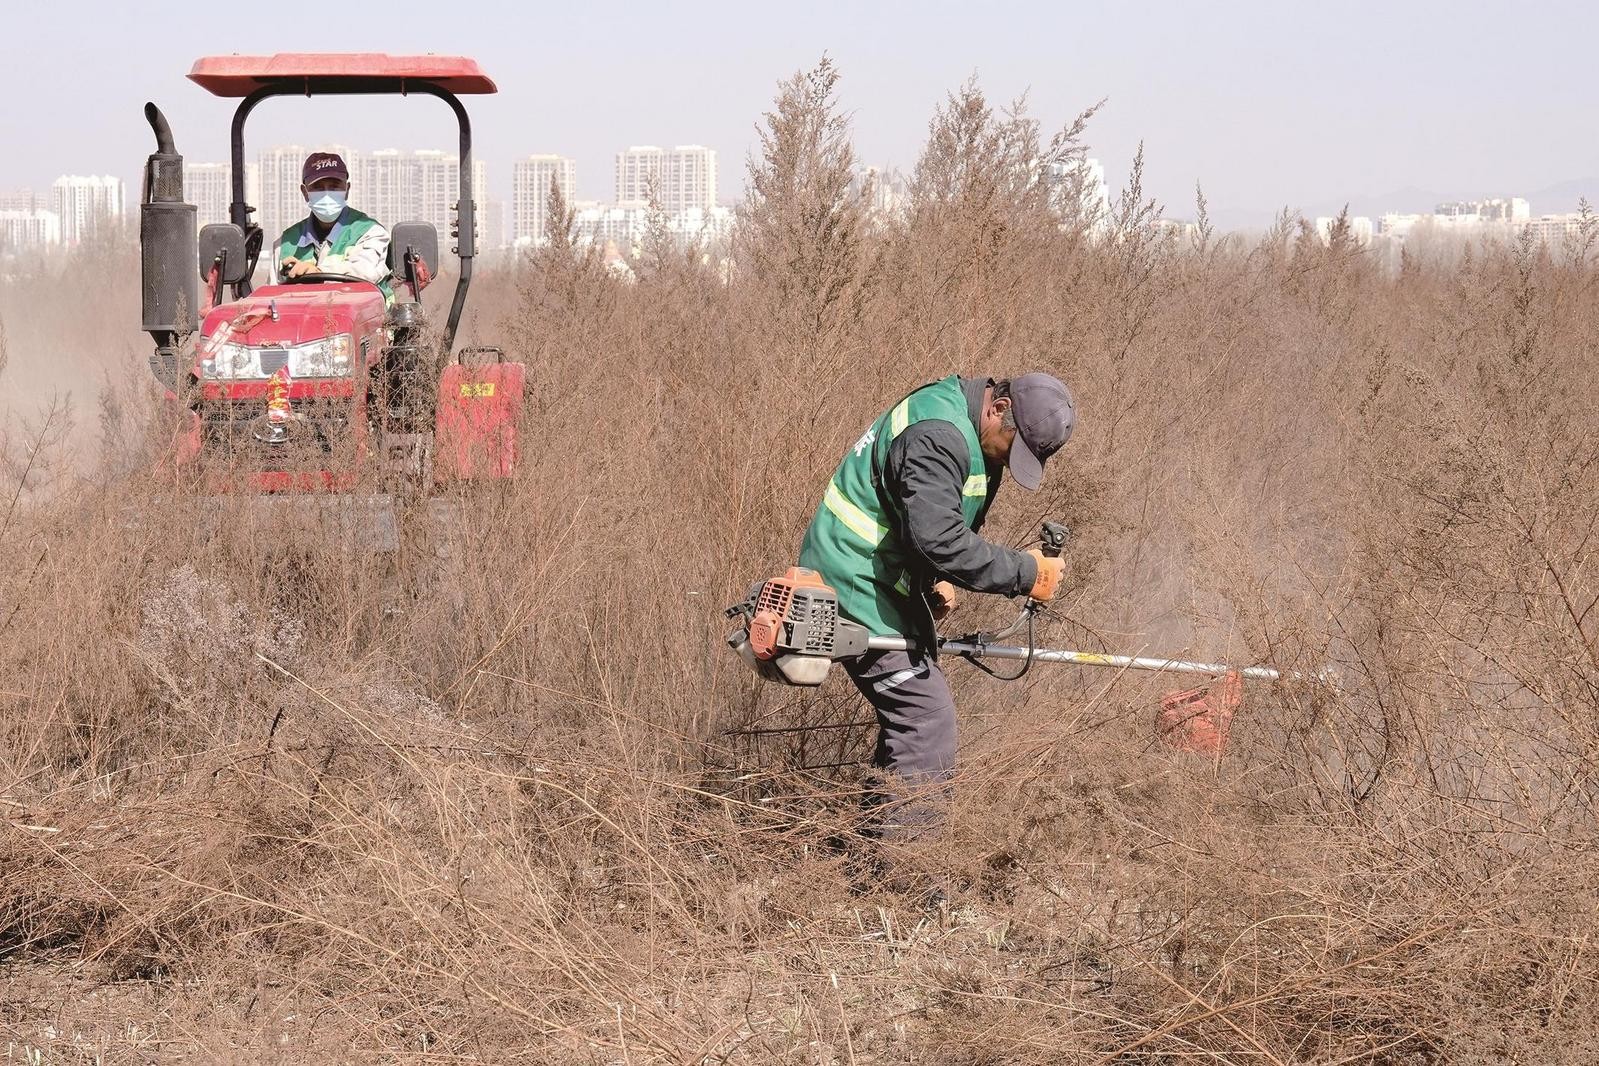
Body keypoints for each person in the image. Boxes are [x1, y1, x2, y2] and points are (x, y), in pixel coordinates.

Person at [799, 373, 1076, 837]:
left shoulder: (975, 429)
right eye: (1014, 448)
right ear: (999, 407)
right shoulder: (939, 434)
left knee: (913, 722)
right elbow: (938, 536)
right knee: (927, 718)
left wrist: (934, 578)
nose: (1010, 461)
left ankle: (869, 855)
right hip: (853, 580)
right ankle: (905, 875)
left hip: (883, 578)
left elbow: (925, 516)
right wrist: (1026, 573)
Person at [275, 152, 392, 298]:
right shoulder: (286, 242)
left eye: (334, 187)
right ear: (305, 192)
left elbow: (365, 271)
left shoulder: (371, 232)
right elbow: (272, 295)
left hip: (366, 319)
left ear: (347, 189)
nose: (326, 194)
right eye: (318, 187)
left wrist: (318, 272)